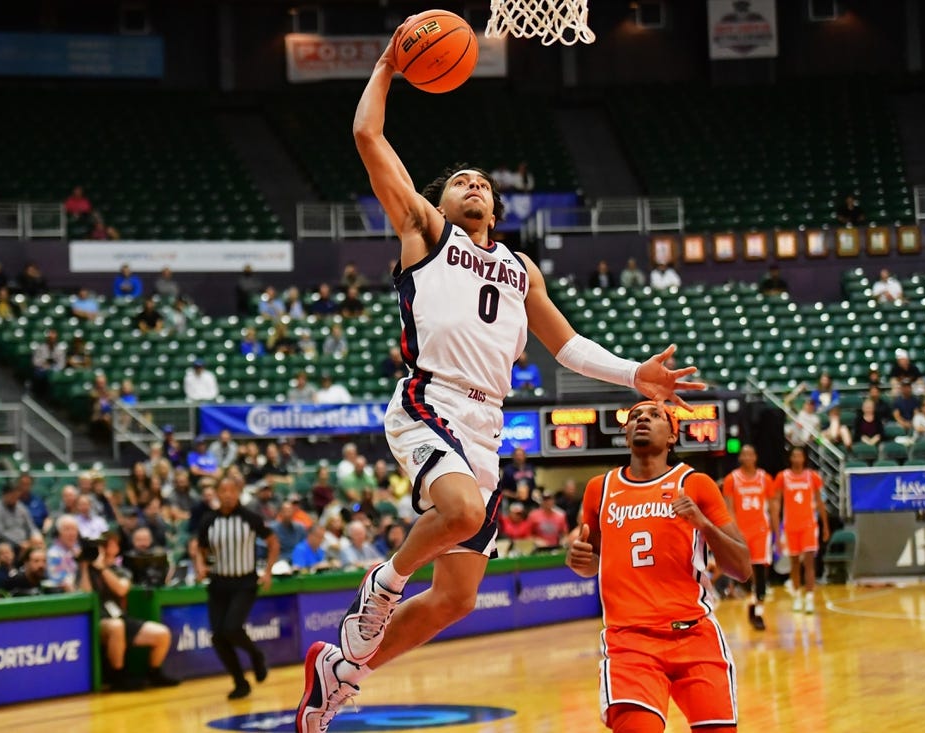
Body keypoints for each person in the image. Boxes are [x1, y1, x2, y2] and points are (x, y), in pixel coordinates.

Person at [294, 22, 703, 731]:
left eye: (481, 181)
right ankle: (381, 585)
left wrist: (633, 373)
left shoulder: (520, 268)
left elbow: (569, 348)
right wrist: (389, 66)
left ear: (496, 207)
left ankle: (341, 671)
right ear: (442, 203)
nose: (473, 184)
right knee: (456, 514)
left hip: (486, 424)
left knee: (455, 597)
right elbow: (368, 138)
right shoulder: (424, 231)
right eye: (460, 181)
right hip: (431, 398)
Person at [565, 401, 749, 733]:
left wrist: (703, 524)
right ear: (626, 434)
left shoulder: (696, 483)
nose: (642, 420)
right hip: (630, 641)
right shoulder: (599, 489)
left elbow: (742, 568)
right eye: (635, 417)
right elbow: (591, 562)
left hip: (694, 634)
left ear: (672, 437)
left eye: (654, 416)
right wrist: (578, 560)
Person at [194, 476, 280, 699]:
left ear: (239, 492)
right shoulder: (208, 520)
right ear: (216, 493)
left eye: (232, 490)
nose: (228, 494)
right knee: (218, 637)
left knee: (231, 628)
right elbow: (199, 547)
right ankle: (240, 682)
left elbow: (273, 542)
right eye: (223, 490)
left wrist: (268, 571)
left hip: (244, 583)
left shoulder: (250, 518)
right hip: (218, 584)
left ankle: (256, 655)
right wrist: (201, 565)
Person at [79, 532, 179, 690]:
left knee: (162, 634)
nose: (104, 548)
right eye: (102, 546)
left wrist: (103, 568)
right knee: (116, 626)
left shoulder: (120, 570)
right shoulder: (87, 570)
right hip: (98, 620)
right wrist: (84, 567)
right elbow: (84, 594)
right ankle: (118, 677)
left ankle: (153, 673)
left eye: (108, 545)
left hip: (120, 617)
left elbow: (121, 590)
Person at [721, 444, 778, 631]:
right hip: (741, 531)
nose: (747, 457)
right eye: (744, 454)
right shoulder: (731, 479)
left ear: (755, 457)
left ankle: (759, 612)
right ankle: (751, 598)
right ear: (740, 458)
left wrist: (777, 531)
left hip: (761, 530)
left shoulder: (765, 479)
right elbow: (728, 508)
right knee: (743, 571)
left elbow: (773, 507)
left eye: (750, 454)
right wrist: (734, 531)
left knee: (760, 569)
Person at [773, 446, 830, 614]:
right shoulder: (783, 477)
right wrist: (777, 530)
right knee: (795, 564)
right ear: (790, 459)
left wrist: (825, 525)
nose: (797, 459)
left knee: (809, 563)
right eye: (794, 456)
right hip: (790, 526)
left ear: (804, 458)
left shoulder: (812, 477)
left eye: (800, 456)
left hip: (809, 526)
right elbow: (776, 503)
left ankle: (810, 598)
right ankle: (797, 596)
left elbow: (820, 502)